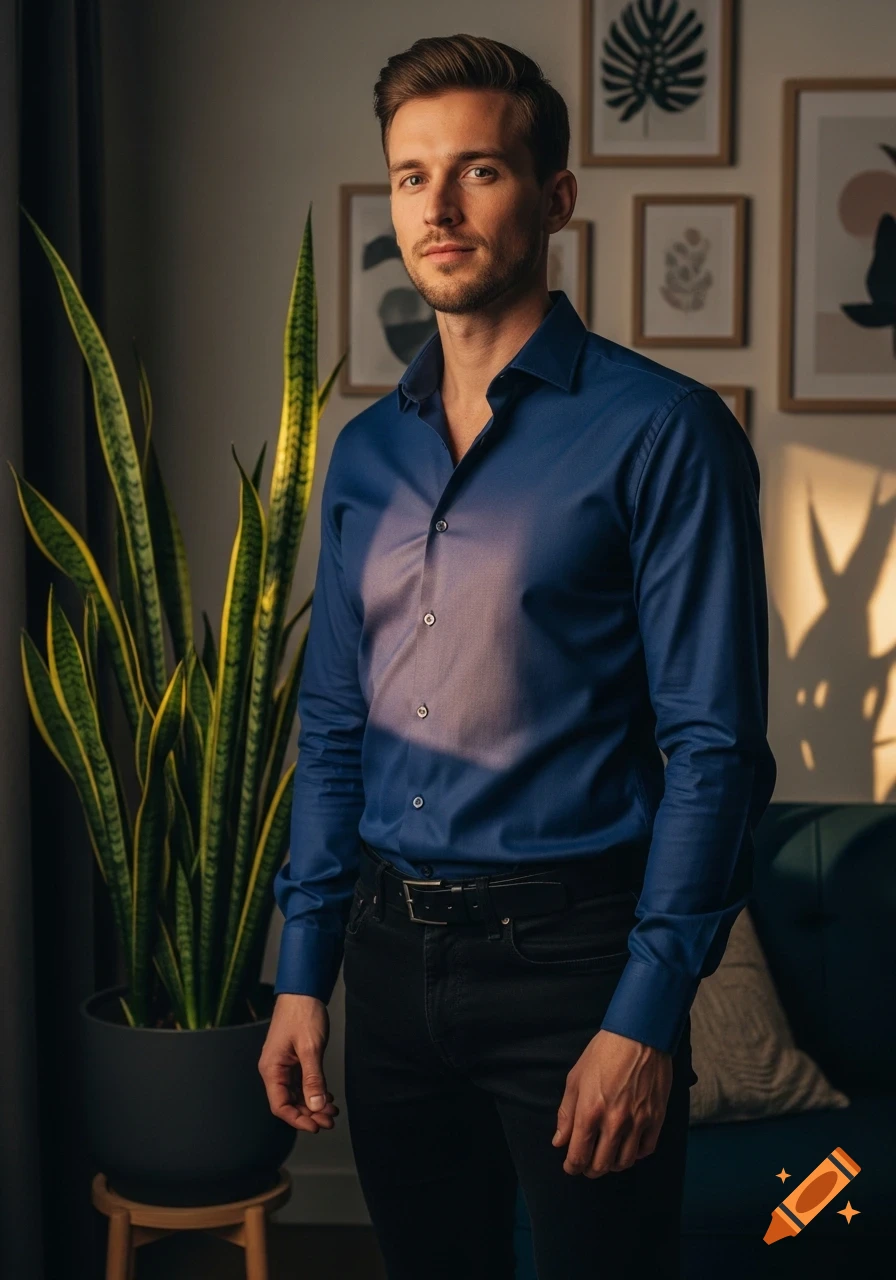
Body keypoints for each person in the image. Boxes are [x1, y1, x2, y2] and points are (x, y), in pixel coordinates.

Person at [259, 31, 777, 1280]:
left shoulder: (662, 433)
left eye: (476, 171)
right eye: (408, 175)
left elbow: (713, 749)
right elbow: (333, 726)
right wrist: (300, 969)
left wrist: (644, 1017)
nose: (434, 207)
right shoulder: (363, 456)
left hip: (571, 972)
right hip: (385, 966)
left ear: (553, 199)